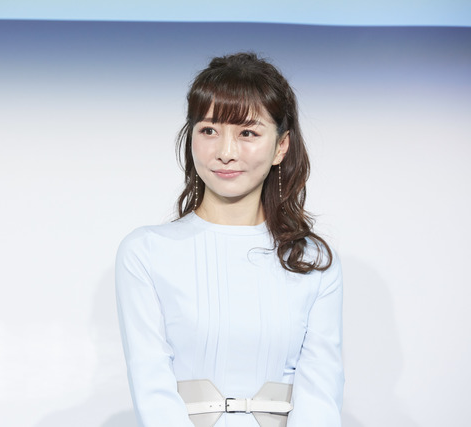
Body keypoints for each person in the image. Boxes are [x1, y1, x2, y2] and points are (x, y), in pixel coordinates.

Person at [115, 52, 343, 427]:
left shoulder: (311, 259)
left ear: (281, 146)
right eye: (209, 130)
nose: (225, 152)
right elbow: (152, 388)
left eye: (247, 133)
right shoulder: (146, 251)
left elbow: (321, 395)